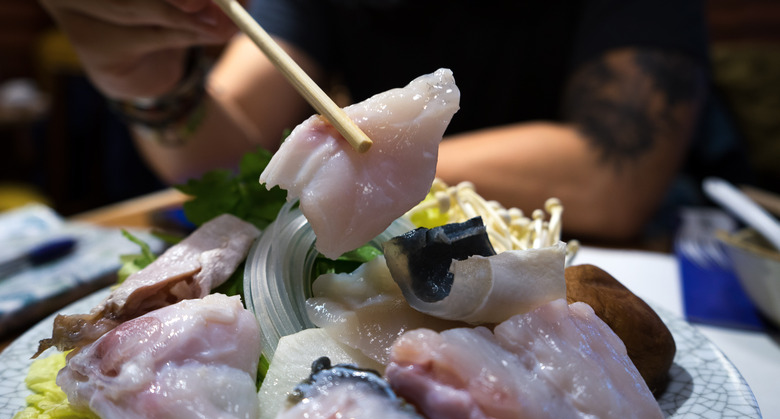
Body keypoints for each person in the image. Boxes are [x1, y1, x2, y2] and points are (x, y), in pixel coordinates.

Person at [38, 0, 747, 244]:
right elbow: (228, 161)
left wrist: (372, 158)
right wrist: (151, 83)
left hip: (645, 259)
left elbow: (610, 179)